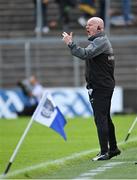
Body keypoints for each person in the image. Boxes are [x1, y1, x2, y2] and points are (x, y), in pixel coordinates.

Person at [62, 17, 121, 161]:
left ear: (99, 28)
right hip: (102, 86)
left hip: (101, 87)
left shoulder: (100, 42)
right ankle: (113, 149)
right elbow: (87, 53)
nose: (87, 27)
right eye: (86, 24)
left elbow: (84, 54)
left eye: (90, 25)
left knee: (100, 119)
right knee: (105, 118)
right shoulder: (98, 42)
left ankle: (104, 152)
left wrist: (71, 44)